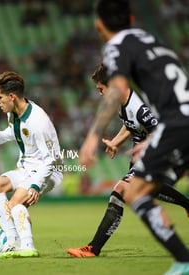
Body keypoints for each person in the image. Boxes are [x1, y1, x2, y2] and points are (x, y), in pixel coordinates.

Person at [79, 0, 189, 274]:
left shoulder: (117, 47)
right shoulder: (148, 39)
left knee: (133, 191)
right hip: (182, 117)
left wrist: (93, 138)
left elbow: (121, 95)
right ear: (129, 18)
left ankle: (183, 260)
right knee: (141, 187)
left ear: (99, 25)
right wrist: (118, 141)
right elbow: (134, 120)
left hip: (175, 123)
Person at [68, 63, 189, 258]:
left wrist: (147, 150)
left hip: (162, 150)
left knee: (123, 189)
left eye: (101, 89)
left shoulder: (140, 107)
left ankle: (93, 248)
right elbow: (129, 125)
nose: (100, 94)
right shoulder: (123, 104)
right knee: (139, 189)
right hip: (143, 151)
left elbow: (160, 132)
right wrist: (115, 142)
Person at [0, 71, 63, 258]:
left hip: (47, 172)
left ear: (12, 96)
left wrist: (35, 186)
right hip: (26, 168)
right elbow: (12, 132)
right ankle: (12, 241)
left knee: (15, 203)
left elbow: (50, 160)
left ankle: (28, 246)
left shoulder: (38, 121)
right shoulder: (15, 112)